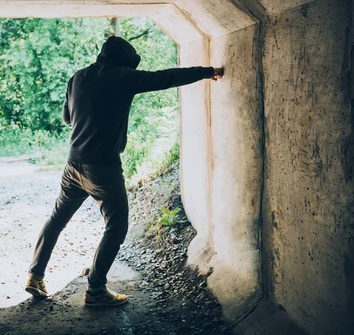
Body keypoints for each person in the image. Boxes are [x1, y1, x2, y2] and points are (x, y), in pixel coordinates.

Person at [25, 36, 224, 307]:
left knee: (57, 218)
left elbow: (67, 118)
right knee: (116, 226)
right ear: (124, 63)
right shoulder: (122, 77)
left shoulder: (78, 77)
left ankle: (35, 276)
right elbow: (166, 77)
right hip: (103, 168)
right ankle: (96, 290)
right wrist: (207, 72)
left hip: (73, 165)